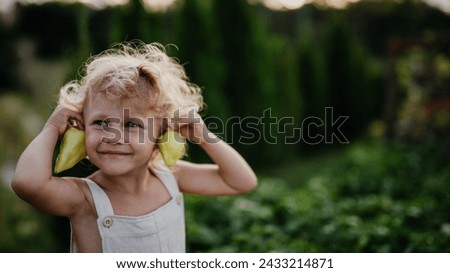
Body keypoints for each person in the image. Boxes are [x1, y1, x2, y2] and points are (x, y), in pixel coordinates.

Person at [11, 42, 257, 253]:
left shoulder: (171, 177)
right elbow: (27, 183)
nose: (114, 136)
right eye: (101, 122)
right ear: (81, 127)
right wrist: (52, 127)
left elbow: (242, 181)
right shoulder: (83, 198)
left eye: (132, 124)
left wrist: (203, 136)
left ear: (161, 132)